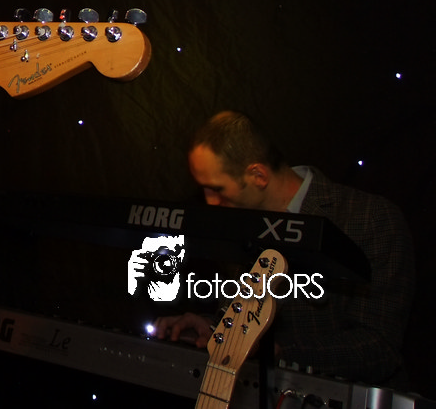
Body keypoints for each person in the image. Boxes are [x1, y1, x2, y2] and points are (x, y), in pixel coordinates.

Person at [154, 110, 414, 388]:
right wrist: (212, 329)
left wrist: (277, 352)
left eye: (217, 189)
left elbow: (378, 347)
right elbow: (244, 317)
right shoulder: (239, 223)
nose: (210, 202)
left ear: (258, 175)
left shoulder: (369, 218)